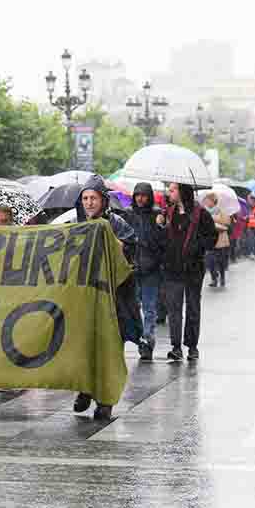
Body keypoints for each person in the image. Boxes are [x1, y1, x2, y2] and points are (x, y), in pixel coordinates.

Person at [72, 176, 139, 420]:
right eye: (85, 198)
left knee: (109, 350)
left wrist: (111, 241)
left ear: (103, 200)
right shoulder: (75, 224)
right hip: (85, 299)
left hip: (113, 300)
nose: (89, 203)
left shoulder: (117, 223)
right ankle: (85, 390)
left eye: (93, 198)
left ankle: (105, 401)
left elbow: (129, 251)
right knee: (84, 348)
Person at [160, 183, 217, 362]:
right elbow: (162, 239)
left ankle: (192, 346)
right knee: (174, 309)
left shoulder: (201, 214)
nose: (169, 193)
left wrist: (196, 246)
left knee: (193, 307)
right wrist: (160, 226)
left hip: (193, 269)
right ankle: (176, 347)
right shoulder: (167, 213)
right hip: (172, 268)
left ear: (182, 191)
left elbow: (212, 238)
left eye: (173, 190)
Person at [124, 183, 166, 361]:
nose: (140, 199)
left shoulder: (157, 215)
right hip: (132, 267)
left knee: (149, 308)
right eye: (137, 195)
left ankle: (148, 340)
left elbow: (163, 241)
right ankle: (141, 338)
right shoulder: (128, 214)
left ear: (149, 196)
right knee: (134, 307)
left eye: (144, 195)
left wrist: (161, 226)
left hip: (151, 268)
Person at [203, 193, 232, 288]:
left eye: (208, 200)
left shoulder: (222, 210)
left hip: (220, 240)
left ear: (213, 201)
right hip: (210, 240)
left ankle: (222, 277)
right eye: (206, 200)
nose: (206, 202)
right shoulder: (205, 211)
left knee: (220, 261)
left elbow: (227, 222)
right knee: (209, 261)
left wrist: (213, 219)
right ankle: (214, 278)